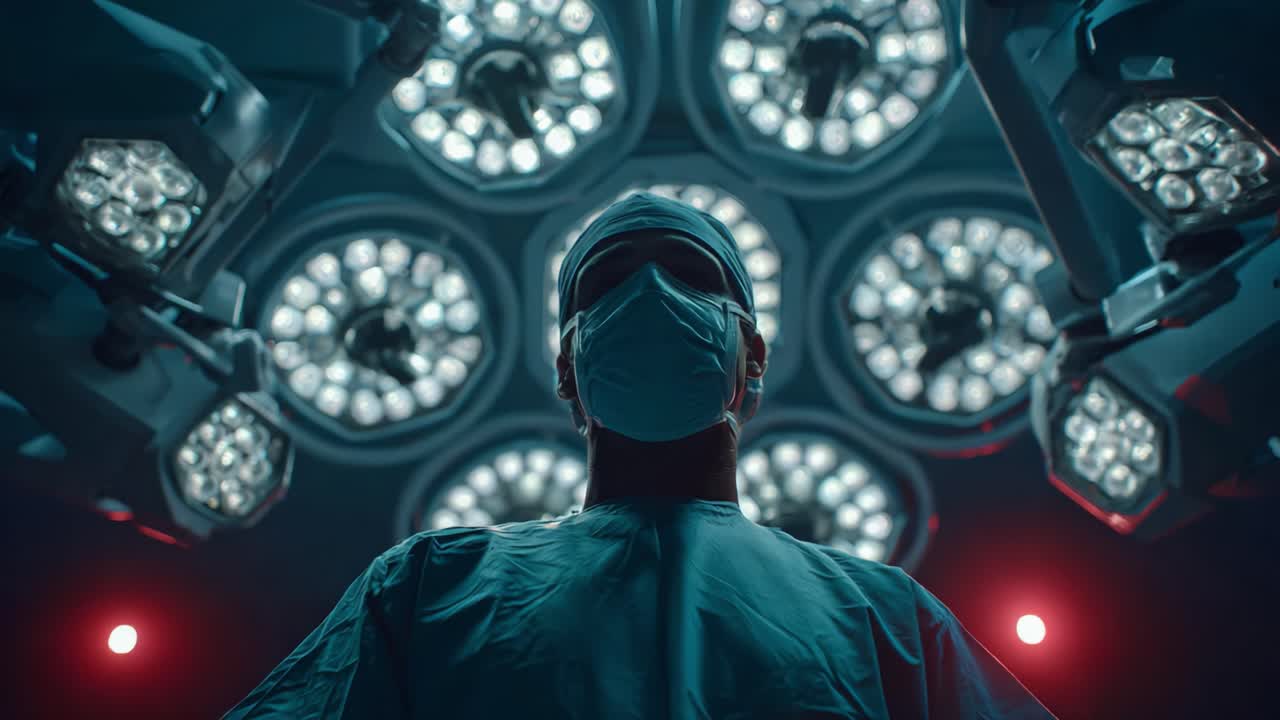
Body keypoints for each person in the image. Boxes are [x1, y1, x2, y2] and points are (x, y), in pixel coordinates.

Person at [223, 194, 1055, 719]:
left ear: (751, 356)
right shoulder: (426, 590)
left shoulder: (886, 620)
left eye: (689, 275)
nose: (649, 292)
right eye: (608, 283)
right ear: (567, 368)